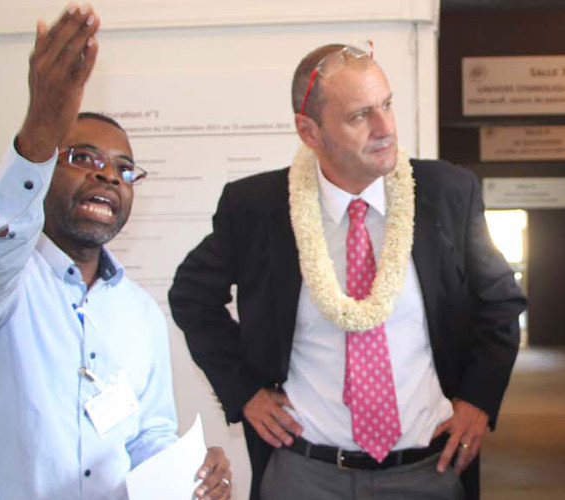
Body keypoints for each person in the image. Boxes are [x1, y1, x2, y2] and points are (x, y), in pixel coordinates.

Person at [168, 42, 525, 500]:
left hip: (426, 469)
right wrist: (244, 393)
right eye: (360, 116)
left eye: (387, 106)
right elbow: (191, 295)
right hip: (304, 472)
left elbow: (501, 304)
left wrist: (478, 399)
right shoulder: (256, 208)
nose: (385, 129)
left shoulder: (447, 193)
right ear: (309, 131)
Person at [0, 4, 231, 499]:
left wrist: (191, 475)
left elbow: (146, 434)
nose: (107, 175)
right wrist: (39, 131)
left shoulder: (140, 313)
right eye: (83, 157)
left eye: (124, 169)